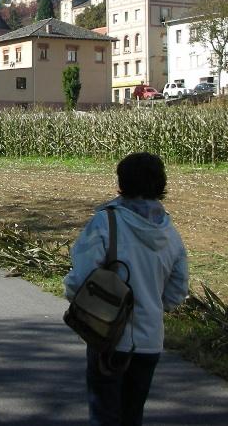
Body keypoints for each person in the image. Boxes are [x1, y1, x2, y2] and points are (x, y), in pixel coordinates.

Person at [64, 152, 189, 426]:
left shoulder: (106, 222)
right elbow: (178, 290)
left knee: (105, 415)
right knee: (133, 416)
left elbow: (80, 279)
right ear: (161, 184)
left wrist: (76, 299)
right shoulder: (170, 233)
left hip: (108, 336)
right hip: (149, 341)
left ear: (122, 183)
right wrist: (153, 306)